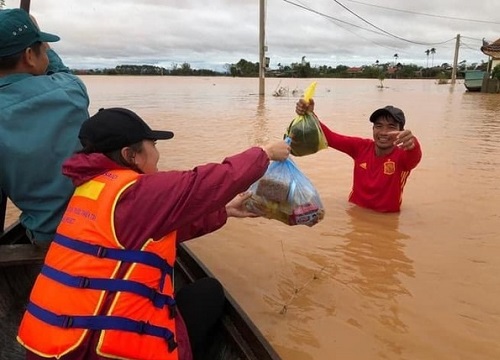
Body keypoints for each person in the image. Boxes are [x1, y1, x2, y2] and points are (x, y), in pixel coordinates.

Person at [17, 107, 291, 360]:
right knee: (208, 293)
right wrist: (264, 154)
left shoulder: (91, 190)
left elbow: (155, 231)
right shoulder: (137, 192)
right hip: (101, 352)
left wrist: (225, 211)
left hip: (52, 347)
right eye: (153, 146)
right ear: (130, 155)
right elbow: (205, 182)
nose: (158, 154)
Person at [0, 9, 90, 243]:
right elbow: (59, 70)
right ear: (30, 55)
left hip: (47, 237)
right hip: (95, 223)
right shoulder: (71, 90)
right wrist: (36, 32)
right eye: (43, 46)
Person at [295, 99, 422, 212]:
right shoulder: (361, 147)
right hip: (355, 212)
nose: (384, 132)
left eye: (391, 127)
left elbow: (414, 156)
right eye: (378, 126)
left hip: (387, 218)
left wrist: (413, 142)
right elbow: (330, 138)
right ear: (373, 129)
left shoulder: (403, 156)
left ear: (401, 131)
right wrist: (310, 115)